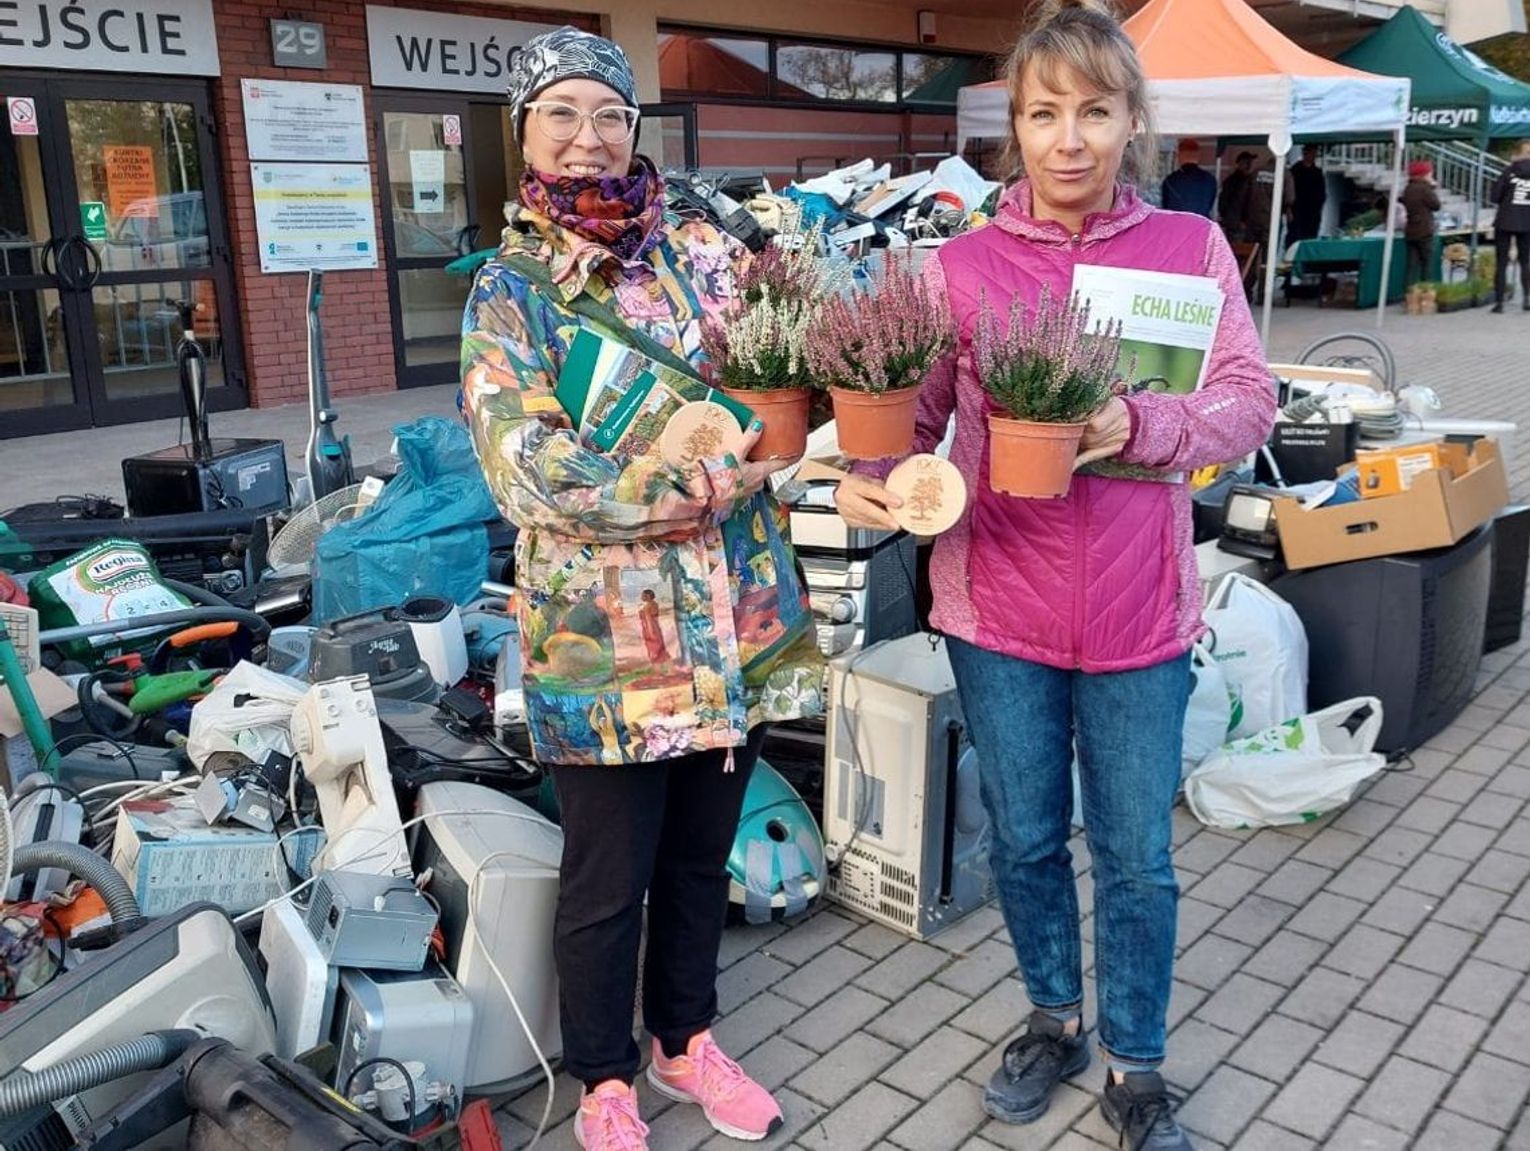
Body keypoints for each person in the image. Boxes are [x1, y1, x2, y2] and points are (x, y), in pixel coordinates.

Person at [832, 2, 1276, 1148]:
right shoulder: (963, 267)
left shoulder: (1190, 250)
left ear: (1133, 120)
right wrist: (868, 476)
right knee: (1025, 839)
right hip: (998, 611)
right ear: (1014, 129)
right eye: (1043, 113)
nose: (1069, 137)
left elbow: (1247, 399)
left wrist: (1140, 417)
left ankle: (1136, 1061)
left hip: (1139, 617)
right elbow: (908, 412)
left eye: (1094, 110)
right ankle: (1051, 1016)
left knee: (1137, 856)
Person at [459, 26, 822, 1151]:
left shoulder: (709, 255)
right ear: (525, 133)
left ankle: (686, 1040)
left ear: (633, 127)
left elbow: (794, 378)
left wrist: (813, 309)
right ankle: (604, 1078)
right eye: (561, 114)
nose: (587, 139)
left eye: (608, 115)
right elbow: (529, 470)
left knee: (698, 858)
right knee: (606, 880)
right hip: (607, 646)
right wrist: (707, 479)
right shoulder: (508, 293)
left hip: (737, 623)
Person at [1490, 138, 1530, 313]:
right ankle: (1527, 299)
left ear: (1517, 153)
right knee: (1525, 262)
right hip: (1527, 221)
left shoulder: (1508, 171)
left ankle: (1499, 303)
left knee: (1501, 262)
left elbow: (1495, 196)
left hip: (1505, 220)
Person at [1402, 158, 1441, 287]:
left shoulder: (1408, 188)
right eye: (1430, 173)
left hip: (1410, 230)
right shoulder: (1425, 189)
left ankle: (1409, 295)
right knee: (1426, 265)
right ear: (1424, 174)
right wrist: (1432, 187)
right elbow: (1436, 205)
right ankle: (1425, 295)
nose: (1431, 175)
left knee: (1411, 266)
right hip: (1424, 230)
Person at [1160, 139, 1216, 217]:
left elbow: (1166, 207)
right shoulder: (1210, 180)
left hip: (1177, 225)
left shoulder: (1171, 180)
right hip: (1201, 225)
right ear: (1198, 155)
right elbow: (1210, 204)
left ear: (1180, 155)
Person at [1289, 144, 1326, 241]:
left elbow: (1321, 193)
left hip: (1313, 213)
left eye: (1315, 154)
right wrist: (1288, 208)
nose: (1313, 156)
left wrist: (1318, 207)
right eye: (1312, 153)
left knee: (1310, 237)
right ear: (1305, 154)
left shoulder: (1317, 172)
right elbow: (1289, 191)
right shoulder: (1295, 170)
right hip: (1297, 211)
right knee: (1295, 237)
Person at [1217, 151, 1256, 240]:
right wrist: (1243, 220)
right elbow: (1246, 202)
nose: (1250, 165)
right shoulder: (1245, 182)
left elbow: (1222, 203)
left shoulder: (1230, 180)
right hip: (1240, 223)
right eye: (1248, 162)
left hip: (1232, 221)